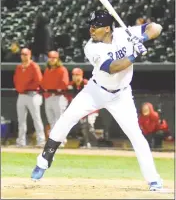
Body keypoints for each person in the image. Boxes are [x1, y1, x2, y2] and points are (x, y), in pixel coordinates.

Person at [31, 10, 163, 191]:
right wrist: (134, 54)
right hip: (95, 90)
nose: (91, 30)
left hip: (121, 95)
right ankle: (45, 159)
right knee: (67, 117)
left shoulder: (124, 34)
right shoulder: (91, 47)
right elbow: (112, 68)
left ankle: (153, 179)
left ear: (107, 29)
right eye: (91, 26)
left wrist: (142, 39)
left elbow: (156, 27)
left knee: (136, 135)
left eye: (95, 27)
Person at [13, 48, 45, 147]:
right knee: (21, 120)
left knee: (37, 119)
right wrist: (20, 88)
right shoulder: (19, 67)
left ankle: (41, 141)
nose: (24, 56)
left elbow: (39, 80)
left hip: (32, 94)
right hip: (21, 95)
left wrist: (28, 86)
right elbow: (16, 80)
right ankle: (21, 142)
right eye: (22, 54)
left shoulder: (34, 66)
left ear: (30, 55)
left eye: (26, 54)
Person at [67, 68, 98, 148]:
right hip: (80, 109)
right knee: (81, 126)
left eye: (77, 75)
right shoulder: (71, 84)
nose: (75, 77)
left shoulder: (86, 83)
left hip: (91, 109)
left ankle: (95, 143)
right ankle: (85, 142)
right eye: (73, 75)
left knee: (89, 125)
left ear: (81, 75)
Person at [41, 51, 69, 132]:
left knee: (60, 120)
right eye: (50, 58)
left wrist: (55, 88)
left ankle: (62, 140)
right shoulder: (47, 70)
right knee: (51, 120)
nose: (52, 59)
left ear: (57, 59)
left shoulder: (62, 69)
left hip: (59, 97)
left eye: (54, 58)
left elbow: (65, 83)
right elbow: (43, 83)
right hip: (48, 96)